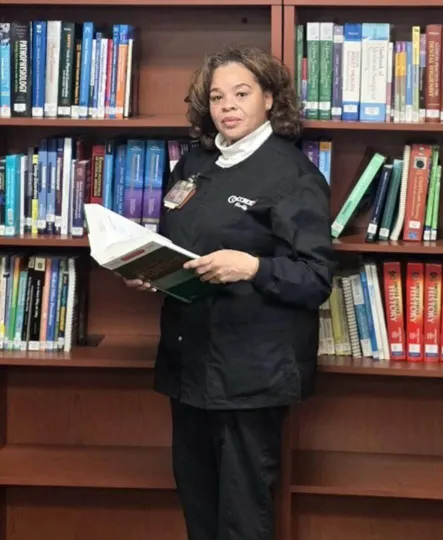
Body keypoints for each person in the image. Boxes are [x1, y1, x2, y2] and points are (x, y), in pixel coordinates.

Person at [122, 45, 334, 540]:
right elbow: (174, 243)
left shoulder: (294, 175)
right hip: (189, 362)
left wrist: (252, 267)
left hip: (249, 374)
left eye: (241, 94)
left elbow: (316, 278)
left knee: (241, 515)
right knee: (198, 505)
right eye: (217, 97)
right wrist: (149, 270)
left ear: (269, 98)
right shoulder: (195, 163)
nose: (228, 107)